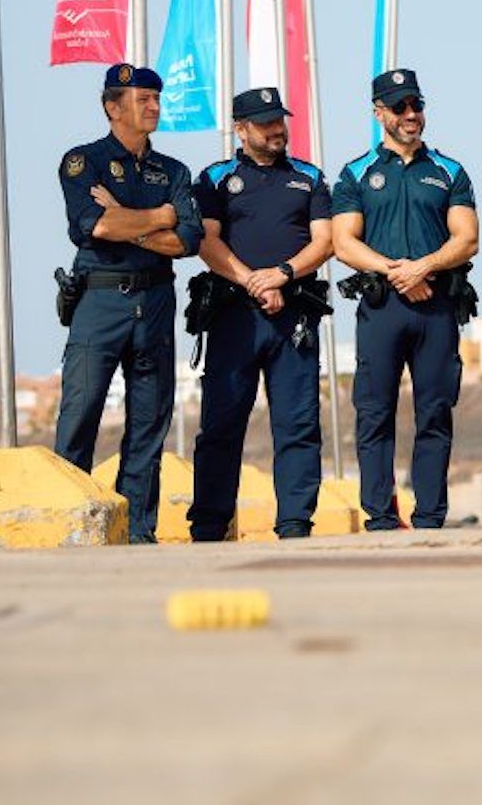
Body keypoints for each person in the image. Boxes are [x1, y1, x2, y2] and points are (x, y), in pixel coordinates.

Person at [52, 65, 203, 544]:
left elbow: (188, 240)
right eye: (143, 100)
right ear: (112, 107)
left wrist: (125, 217)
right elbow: (91, 226)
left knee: (149, 422)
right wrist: (158, 217)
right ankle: (73, 523)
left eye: (157, 99)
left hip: (155, 299)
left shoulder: (174, 171)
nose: (155, 107)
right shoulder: (83, 162)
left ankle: (139, 529)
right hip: (100, 298)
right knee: (81, 414)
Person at [332, 69, 479, 531]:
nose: (411, 115)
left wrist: (424, 267)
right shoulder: (356, 173)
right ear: (379, 114)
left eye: (417, 105)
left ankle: (431, 516)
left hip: (436, 308)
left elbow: (468, 238)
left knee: (435, 412)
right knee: (374, 414)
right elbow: (343, 242)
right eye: (400, 108)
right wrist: (396, 271)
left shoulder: (449, 171)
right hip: (382, 309)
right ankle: (379, 516)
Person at [187, 88, 334, 541]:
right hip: (235, 317)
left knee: (298, 424)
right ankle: (210, 525)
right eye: (266, 122)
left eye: (280, 121)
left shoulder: (308, 177)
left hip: (294, 317)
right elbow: (206, 242)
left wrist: (282, 276)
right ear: (241, 129)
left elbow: (324, 241)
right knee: (222, 424)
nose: (277, 130)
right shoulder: (214, 178)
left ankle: (294, 523)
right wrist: (253, 280)